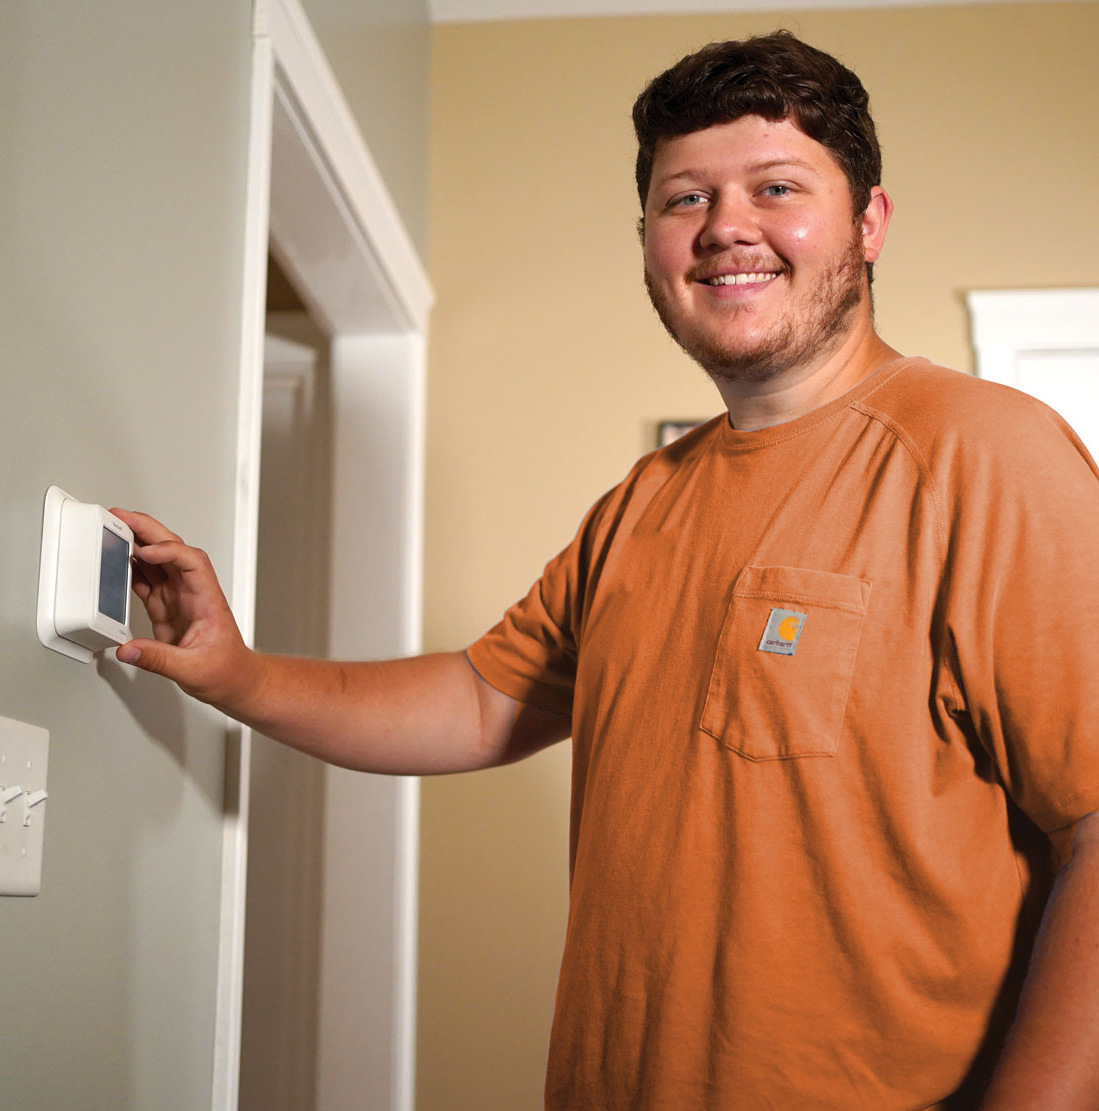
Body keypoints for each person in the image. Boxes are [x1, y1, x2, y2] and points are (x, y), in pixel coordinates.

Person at [114, 30, 1099, 1111]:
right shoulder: (639, 505)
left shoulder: (983, 453)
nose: (726, 226)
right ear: (648, 242)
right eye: (685, 200)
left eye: (775, 187)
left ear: (868, 223)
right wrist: (237, 672)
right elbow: (479, 700)